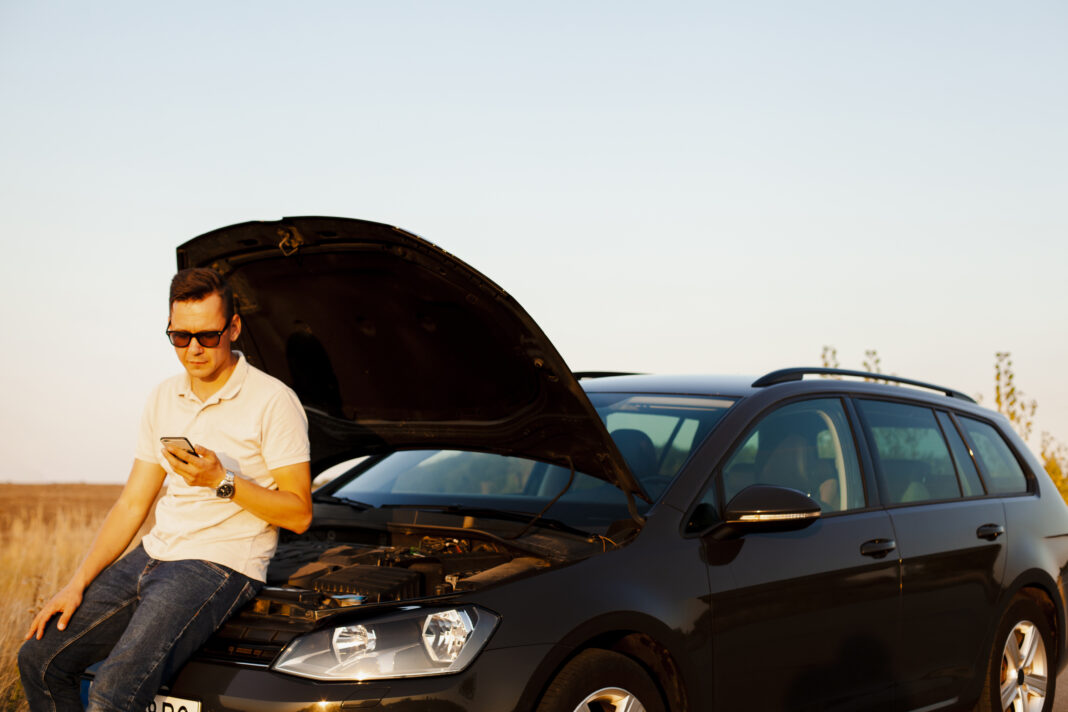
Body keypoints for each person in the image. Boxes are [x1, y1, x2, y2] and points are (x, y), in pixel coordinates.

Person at [19, 268, 313, 712]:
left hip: (219, 563)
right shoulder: (163, 396)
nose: (193, 349)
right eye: (180, 337)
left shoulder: (274, 401)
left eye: (208, 336)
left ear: (233, 328)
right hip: (154, 554)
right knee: (40, 660)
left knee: (111, 694)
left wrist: (221, 481)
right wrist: (76, 583)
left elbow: (299, 514)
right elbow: (133, 502)